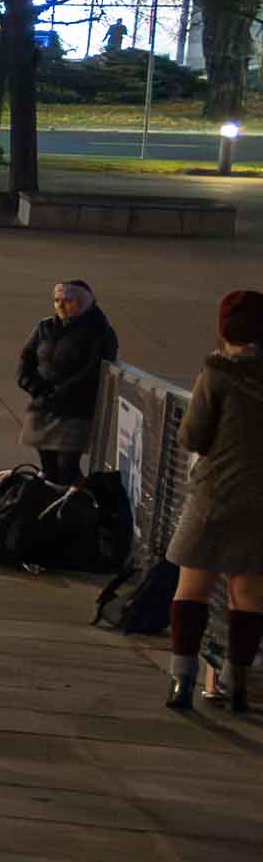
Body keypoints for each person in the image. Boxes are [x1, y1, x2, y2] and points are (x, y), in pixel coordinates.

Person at [166, 288, 263, 714]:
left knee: (192, 590)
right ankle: (236, 683)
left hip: (215, 494)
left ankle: (181, 681)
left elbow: (193, 436)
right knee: (249, 595)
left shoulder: (218, 372)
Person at [18, 279, 115, 485]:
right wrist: (33, 385)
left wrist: (62, 392)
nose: (61, 306)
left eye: (68, 301)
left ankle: (81, 499)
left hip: (75, 409)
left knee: (67, 467)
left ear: (84, 302)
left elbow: (94, 369)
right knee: (49, 468)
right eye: (57, 300)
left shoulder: (99, 331)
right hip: (43, 405)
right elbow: (26, 358)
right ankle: (52, 500)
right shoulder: (45, 327)